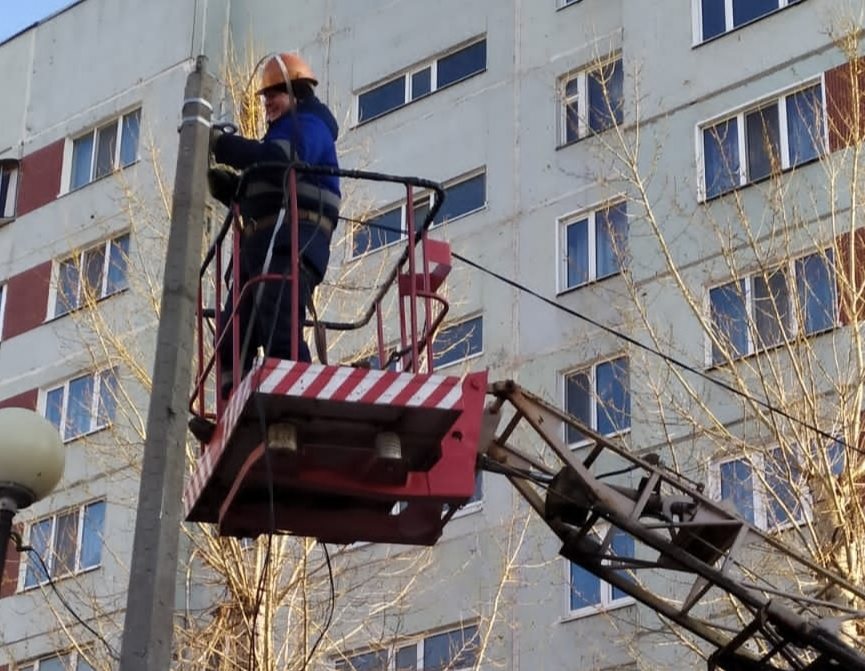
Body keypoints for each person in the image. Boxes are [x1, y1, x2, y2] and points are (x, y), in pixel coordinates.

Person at [189, 53, 340, 443]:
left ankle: (296, 400)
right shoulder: (282, 132)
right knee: (231, 334)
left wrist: (223, 145)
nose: (267, 102)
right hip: (263, 244)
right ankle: (228, 413)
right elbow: (271, 183)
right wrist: (236, 191)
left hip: (293, 239)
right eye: (265, 96)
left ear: (297, 93)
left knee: (279, 319)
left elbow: (280, 162)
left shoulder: (310, 126)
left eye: (275, 94)